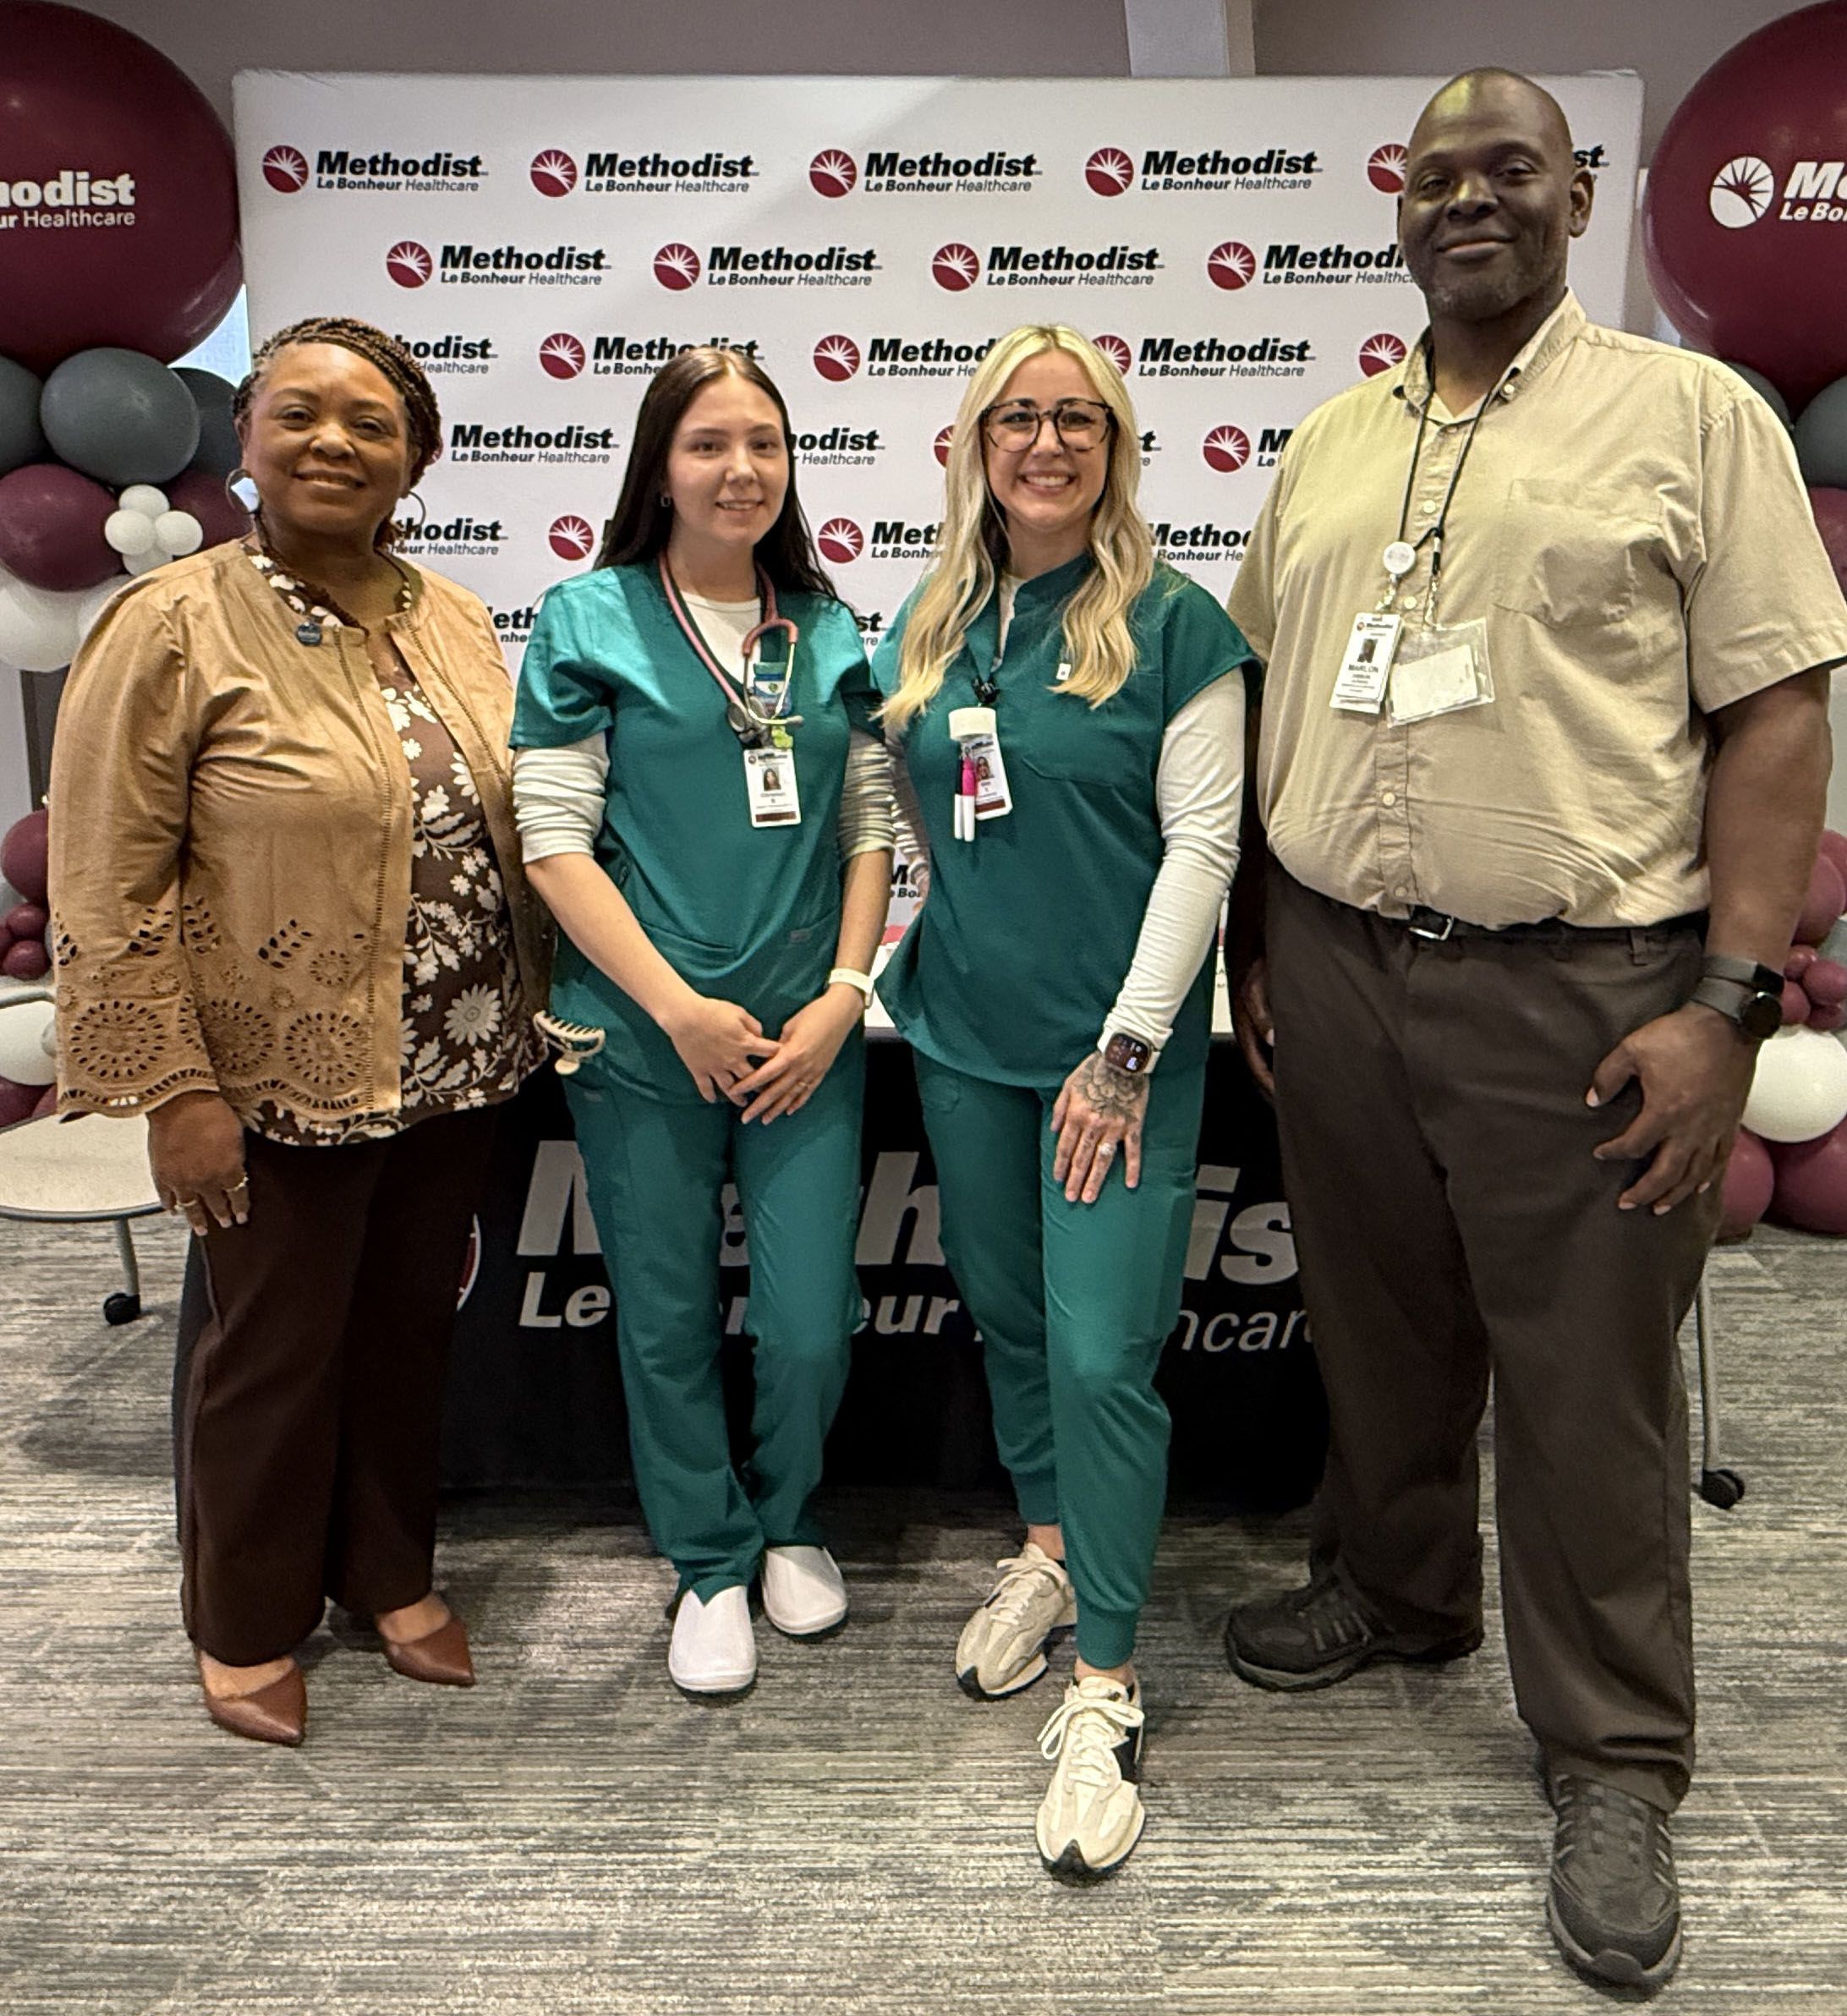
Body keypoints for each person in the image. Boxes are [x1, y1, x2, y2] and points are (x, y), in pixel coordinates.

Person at [1222, 70, 1847, 1990]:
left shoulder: (1694, 416)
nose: (1469, 199)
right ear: (1393, 209)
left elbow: (1776, 716)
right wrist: (1261, 939)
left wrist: (1729, 1005)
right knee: (1380, 1321)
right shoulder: (1328, 441)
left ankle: (1614, 1754)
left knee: (1588, 1385)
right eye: (1436, 177)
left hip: (1590, 986)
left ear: (1581, 195)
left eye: (1511, 170)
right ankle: (1401, 1596)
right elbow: (1263, 701)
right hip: (1331, 964)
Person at [48, 315, 551, 1746]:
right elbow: (104, 876)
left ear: (419, 457)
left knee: (406, 1331)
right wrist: (171, 1088)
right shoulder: (170, 623)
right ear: (249, 439)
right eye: (301, 413)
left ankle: (389, 1573)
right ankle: (248, 1618)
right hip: (274, 1070)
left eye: (371, 423)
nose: (335, 441)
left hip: (460, 1060)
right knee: (272, 1347)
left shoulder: (448, 612)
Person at [875, 325, 1252, 1876]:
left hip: (1116, 1064)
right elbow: (907, 799)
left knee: (1102, 1355)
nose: (1046, 442)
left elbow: (1205, 851)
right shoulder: (937, 615)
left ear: (1116, 447)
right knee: (1014, 1321)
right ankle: (1047, 1543)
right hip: (963, 1042)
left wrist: (1127, 1052)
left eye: (1076, 421)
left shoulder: (1177, 624)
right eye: (1017, 418)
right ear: (976, 445)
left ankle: (1106, 1682)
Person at [510, 348, 892, 1699]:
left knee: (806, 1322)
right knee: (667, 1315)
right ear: (658, 467)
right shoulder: (590, 619)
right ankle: (711, 1558)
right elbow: (552, 841)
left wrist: (845, 997)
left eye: (767, 445)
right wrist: (676, 1010)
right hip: (640, 1029)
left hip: (803, 1039)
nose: (741, 470)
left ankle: (790, 1515)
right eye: (708, 444)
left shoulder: (829, 630)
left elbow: (866, 829)